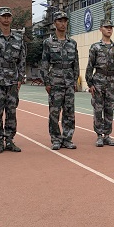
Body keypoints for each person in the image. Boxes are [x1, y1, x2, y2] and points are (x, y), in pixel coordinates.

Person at [0, 7, 26, 154]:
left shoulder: (19, 38)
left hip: (12, 80)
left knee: (11, 111)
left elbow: (22, 60)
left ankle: (9, 139)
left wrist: (20, 78)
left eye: (8, 16)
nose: (6, 19)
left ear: (11, 18)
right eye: (4, 16)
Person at [40, 11, 80, 150]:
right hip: (55, 81)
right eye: (60, 21)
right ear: (54, 23)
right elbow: (44, 64)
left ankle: (67, 138)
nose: (63, 24)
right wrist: (47, 82)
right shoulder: (48, 42)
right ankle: (56, 139)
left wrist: (75, 81)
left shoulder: (72, 43)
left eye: (65, 21)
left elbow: (76, 64)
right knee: (54, 112)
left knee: (69, 112)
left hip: (69, 81)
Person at [85, 19, 114, 147]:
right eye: (106, 27)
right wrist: (90, 84)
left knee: (110, 109)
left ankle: (107, 135)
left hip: (111, 82)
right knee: (98, 109)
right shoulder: (95, 47)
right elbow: (90, 66)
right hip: (98, 82)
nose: (109, 29)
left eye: (111, 27)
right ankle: (99, 136)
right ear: (101, 29)